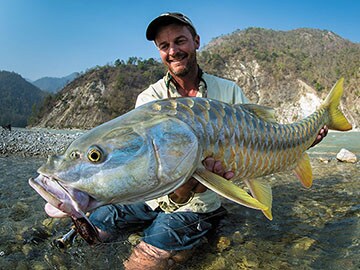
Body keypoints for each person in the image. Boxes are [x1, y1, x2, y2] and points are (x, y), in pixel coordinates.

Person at [88, 12, 328, 270]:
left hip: (198, 205)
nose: (173, 51)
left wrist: (300, 143)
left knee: (145, 260)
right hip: (151, 199)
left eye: (180, 41)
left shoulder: (228, 92)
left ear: (196, 42)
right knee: (95, 224)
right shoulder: (150, 98)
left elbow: (263, 144)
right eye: (164, 46)